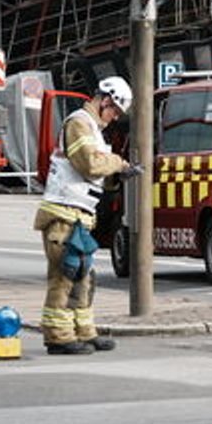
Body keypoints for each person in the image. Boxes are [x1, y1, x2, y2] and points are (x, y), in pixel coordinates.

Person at [35, 76, 134, 354]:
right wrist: (119, 163)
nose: (115, 118)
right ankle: (58, 336)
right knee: (64, 276)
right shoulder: (79, 123)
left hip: (78, 215)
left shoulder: (92, 128)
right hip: (62, 214)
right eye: (114, 110)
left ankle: (84, 331)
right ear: (105, 100)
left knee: (82, 276)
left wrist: (117, 177)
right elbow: (89, 164)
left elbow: (93, 173)